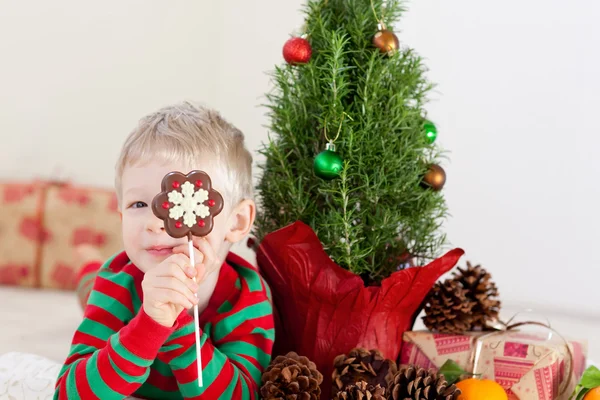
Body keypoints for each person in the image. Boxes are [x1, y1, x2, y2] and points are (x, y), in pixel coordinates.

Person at [55, 101, 274, 399]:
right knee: (92, 284)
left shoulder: (248, 299)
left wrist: (178, 322)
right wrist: (150, 322)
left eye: (182, 204)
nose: (156, 224)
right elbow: (70, 394)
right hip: (105, 283)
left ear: (236, 222)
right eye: (139, 204)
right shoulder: (116, 284)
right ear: (121, 216)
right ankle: (87, 264)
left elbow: (241, 395)